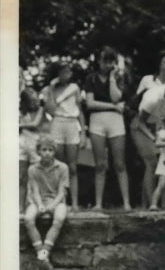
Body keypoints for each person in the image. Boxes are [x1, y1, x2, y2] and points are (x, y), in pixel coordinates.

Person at [131, 50, 165, 208]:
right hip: (142, 124)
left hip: (162, 127)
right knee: (151, 163)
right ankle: (149, 203)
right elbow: (137, 103)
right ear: (159, 64)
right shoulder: (148, 80)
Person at [83, 46, 132, 210]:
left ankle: (126, 203)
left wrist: (112, 77)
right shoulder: (91, 78)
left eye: (111, 61)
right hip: (97, 121)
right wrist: (113, 107)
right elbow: (90, 104)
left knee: (120, 163)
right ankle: (98, 203)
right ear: (98, 61)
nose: (108, 64)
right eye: (105, 60)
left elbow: (116, 97)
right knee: (100, 165)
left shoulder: (119, 77)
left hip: (116, 122)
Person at [41, 62, 85, 212]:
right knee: (58, 165)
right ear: (57, 73)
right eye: (63, 71)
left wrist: (84, 133)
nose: (67, 74)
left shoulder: (75, 88)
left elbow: (80, 110)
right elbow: (51, 110)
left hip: (72, 124)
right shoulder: (49, 90)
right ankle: (60, 202)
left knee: (72, 167)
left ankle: (75, 203)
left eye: (68, 71)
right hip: (57, 123)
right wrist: (52, 89)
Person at [24, 135, 70, 261]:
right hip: (39, 200)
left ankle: (45, 252)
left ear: (54, 152)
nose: (47, 153)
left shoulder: (63, 167)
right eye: (44, 150)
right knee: (28, 219)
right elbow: (35, 190)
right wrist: (40, 205)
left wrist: (53, 205)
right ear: (39, 151)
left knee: (59, 218)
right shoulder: (33, 169)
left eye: (50, 150)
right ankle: (40, 252)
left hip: (57, 201)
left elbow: (62, 192)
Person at [19, 86, 47, 213]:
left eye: (36, 100)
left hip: (35, 144)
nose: (35, 103)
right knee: (22, 177)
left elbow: (35, 124)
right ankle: (20, 207)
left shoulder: (41, 109)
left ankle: (39, 204)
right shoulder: (21, 112)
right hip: (22, 144)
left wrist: (19, 125)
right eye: (32, 101)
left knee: (38, 175)